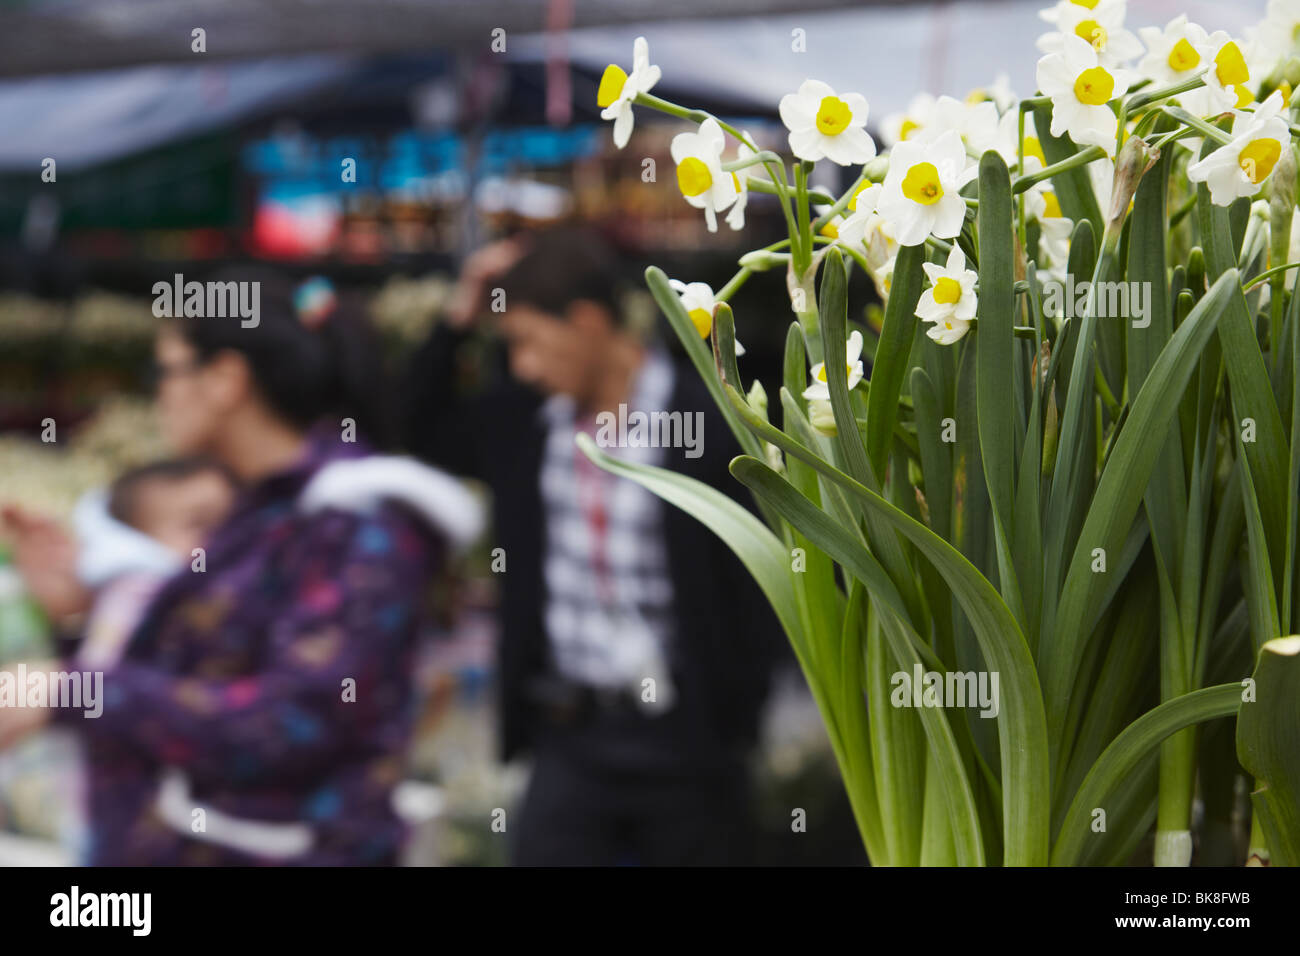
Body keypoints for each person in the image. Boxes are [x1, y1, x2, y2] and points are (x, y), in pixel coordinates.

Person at [0, 271, 482, 865]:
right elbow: (197, 681)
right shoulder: (255, 509)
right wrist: (76, 620)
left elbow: (288, 724)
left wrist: (73, 690)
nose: (159, 397)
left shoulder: (361, 524)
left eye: (165, 373)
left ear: (226, 380)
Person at [402, 226, 783, 865]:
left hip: (688, 743)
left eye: (526, 340)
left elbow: (755, 587)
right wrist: (463, 309)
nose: (521, 364)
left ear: (585, 321)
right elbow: (419, 424)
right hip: (569, 735)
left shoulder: (710, 425)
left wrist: (734, 717)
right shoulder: (524, 423)